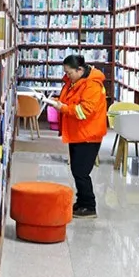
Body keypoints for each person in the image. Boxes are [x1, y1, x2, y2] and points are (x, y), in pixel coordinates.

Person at [50, 55, 108, 218]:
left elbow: (84, 111)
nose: (67, 76)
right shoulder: (74, 82)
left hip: (88, 134)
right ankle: (82, 202)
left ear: (80, 70)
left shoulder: (92, 86)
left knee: (81, 171)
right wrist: (56, 102)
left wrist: (63, 108)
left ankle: (89, 206)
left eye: (69, 73)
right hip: (77, 132)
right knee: (76, 170)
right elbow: (69, 100)